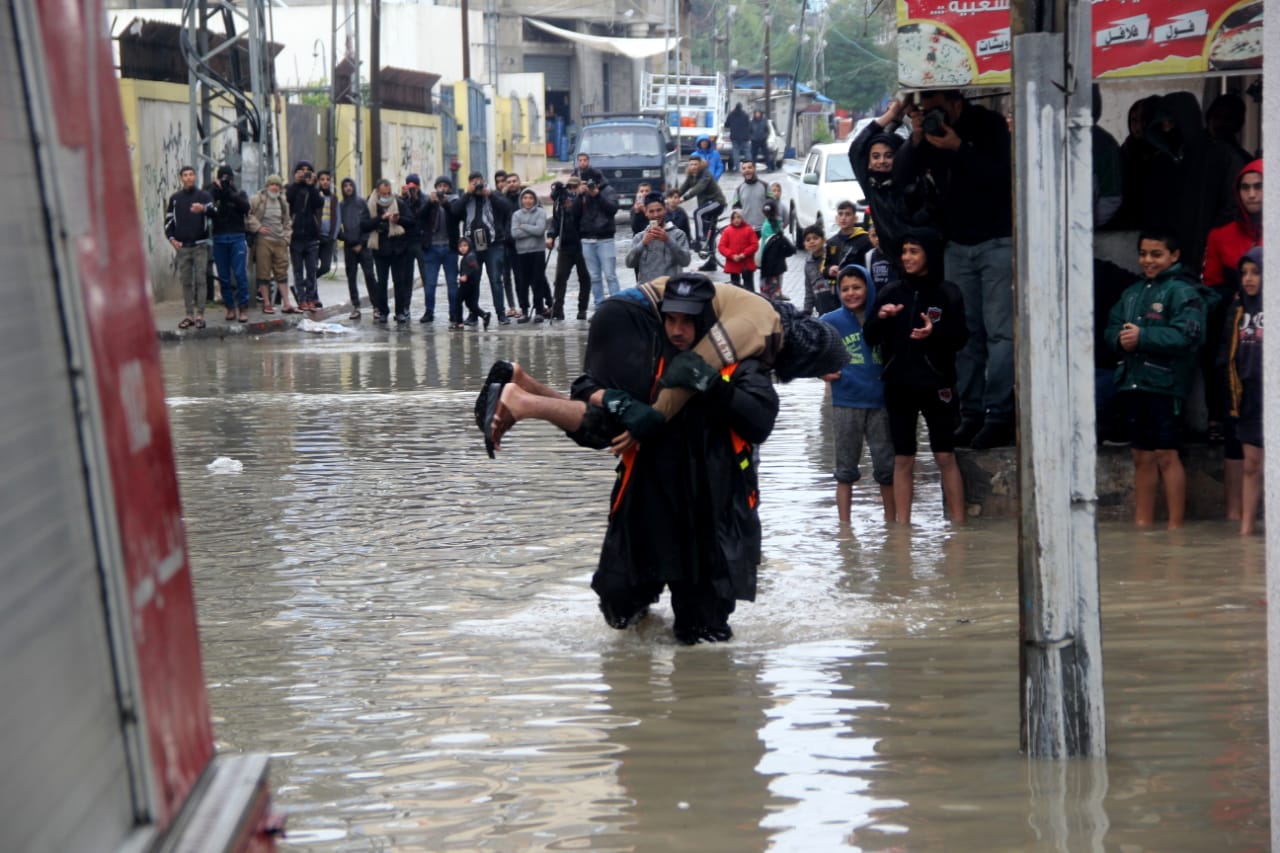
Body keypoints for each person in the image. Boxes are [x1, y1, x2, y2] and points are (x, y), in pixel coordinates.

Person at [594, 276, 780, 644]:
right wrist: (613, 401)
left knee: (702, 637)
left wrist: (711, 385)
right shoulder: (644, 360)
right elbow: (586, 389)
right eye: (670, 320)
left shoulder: (740, 365)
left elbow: (760, 420)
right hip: (646, 511)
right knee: (619, 612)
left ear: (707, 321)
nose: (678, 331)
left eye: (688, 321)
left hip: (712, 518)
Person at [895, 89, 1015, 449]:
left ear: (956, 104)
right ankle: (971, 412)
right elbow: (901, 177)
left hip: (996, 240)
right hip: (957, 245)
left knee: (1000, 334)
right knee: (965, 334)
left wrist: (958, 148)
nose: (933, 117)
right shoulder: (930, 134)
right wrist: (916, 137)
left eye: (937, 109)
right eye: (926, 111)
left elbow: (1001, 176)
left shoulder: (989, 125)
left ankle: (999, 415)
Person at [863, 228, 969, 525]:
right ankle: (902, 531)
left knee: (945, 456)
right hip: (899, 386)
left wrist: (934, 333)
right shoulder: (890, 293)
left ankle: (959, 529)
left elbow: (961, 338)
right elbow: (869, 336)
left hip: (938, 385)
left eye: (914, 251)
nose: (907, 257)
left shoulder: (948, 293)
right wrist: (882, 318)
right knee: (903, 459)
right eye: (904, 252)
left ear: (929, 255)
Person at [1104, 231, 1207, 529]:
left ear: (1174, 256)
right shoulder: (1132, 292)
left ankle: (1175, 529)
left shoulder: (1183, 292)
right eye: (1144, 253)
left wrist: (1143, 336)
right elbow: (1110, 329)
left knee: (1166, 454)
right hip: (1133, 383)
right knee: (1141, 456)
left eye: (1156, 254)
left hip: (1166, 385)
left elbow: (1188, 336)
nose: (1148, 260)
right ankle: (1143, 526)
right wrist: (1119, 340)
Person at [1203, 158, 1262, 504]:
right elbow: (1211, 287)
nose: (1252, 194)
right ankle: (1233, 520)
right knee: (1234, 424)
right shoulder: (1221, 236)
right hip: (1235, 337)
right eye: (1245, 187)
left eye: (1259, 186)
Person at [821, 265, 894, 523]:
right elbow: (807, 348)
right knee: (845, 469)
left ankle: (892, 525)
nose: (851, 293)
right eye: (845, 289)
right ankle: (844, 530)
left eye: (857, 287)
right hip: (846, 403)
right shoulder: (830, 321)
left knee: (887, 468)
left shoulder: (883, 316)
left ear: (869, 288)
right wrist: (822, 372)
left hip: (882, 403)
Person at [1219, 248, 1264, 535]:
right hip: (1246, 395)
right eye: (1244, 272)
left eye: (1256, 272)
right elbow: (1227, 353)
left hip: (1273, 396)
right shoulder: (1237, 310)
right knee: (1250, 463)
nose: (1248, 279)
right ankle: (1245, 533)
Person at [848, 99, 918, 269]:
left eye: (888, 156)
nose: (882, 161)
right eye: (876, 156)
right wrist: (891, 115)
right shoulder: (870, 185)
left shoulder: (909, 179)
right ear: (869, 161)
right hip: (892, 258)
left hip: (919, 253)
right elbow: (856, 148)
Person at [451, 171, 513, 324]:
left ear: (484, 181)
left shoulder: (493, 195)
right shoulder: (466, 199)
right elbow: (454, 211)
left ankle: (501, 314)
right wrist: (467, 194)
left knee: (495, 280)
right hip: (472, 247)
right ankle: (473, 314)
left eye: (479, 182)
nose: (477, 185)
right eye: (473, 182)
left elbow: (507, 208)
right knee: (473, 282)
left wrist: (489, 194)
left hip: (493, 244)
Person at [165, 165, 216, 329]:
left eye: (191, 175)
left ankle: (200, 315)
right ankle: (189, 315)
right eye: (185, 175)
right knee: (186, 281)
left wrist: (203, 208)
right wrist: (172, 239)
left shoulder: (204, 195)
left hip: (200, 246)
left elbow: (214, 211)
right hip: (182, 248)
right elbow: (168, 222)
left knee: (201, 280)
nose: (188, 178)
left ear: (195, 177)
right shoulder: (175, 199)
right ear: (181, 178)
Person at [360, 178, 414, 324]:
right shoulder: (370, 204)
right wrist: (380, 219)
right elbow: (364, 225)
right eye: (384, 193)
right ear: (377, 192)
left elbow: (410, 221)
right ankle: (383, 311)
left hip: (398, 249)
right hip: (380, 250)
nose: (387, 195)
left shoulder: (399, 203)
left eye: (389, 192)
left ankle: (400, 311)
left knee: (399, 282)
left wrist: (398, 220)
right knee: (382, 282)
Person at [246, 174, 299, 315]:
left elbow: (287, 222)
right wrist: (258, 227)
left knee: (282, 272)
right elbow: (248, 215)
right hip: (264, 242)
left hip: (280, 241)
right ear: (267, 186)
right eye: (272, 184)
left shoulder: (283, 202)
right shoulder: (257, 200)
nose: (274, 187)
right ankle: (267, 303)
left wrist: (286, 238)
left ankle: (287, 304)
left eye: (277, 185)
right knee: (264, 273)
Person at [207, 164, 251, 323]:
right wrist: (216, 190)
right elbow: (208, 209)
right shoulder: (213, 193)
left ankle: (243, 307)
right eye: (223, 178)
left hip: (237, 237)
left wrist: (228, 191)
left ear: (232, 179)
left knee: (240, 274)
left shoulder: (239, 193)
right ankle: (229, 307)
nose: (226, 181)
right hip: (219, 238)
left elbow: (246, 207)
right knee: (224, 276)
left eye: (228, 178)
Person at [573, 167, 621, 311]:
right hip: (587, 239)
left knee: (610, 275)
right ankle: (599, 307)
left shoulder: (608, 190)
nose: (589, 185)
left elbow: (613, 209)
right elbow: (574, 215)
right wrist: (579, 196)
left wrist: (597, 195)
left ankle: (617, 307)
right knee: (594, 277)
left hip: (605, 238)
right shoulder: (583, 193)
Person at [420, 176, 462, 327]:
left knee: (452, 283)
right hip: (431, 248)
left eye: (445, 186)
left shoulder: (454, 201)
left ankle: (454, 312)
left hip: (449, 248)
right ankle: (429, 311)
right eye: (439, 186)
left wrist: (445, 203)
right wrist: (429, 203)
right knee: (430, 283)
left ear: (449, 188)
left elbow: (457, 216)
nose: (442, 189)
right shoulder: (429, 201)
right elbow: (419, 216)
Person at [547, 177, 591, 321]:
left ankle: (582, 309)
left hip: (582, 244)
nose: (572, 190)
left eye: (575, 187)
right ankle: (558, 309)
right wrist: (551, 236)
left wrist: (578, 200)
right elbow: (556, 220)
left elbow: (583, 217)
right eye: (570, 187)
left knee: (584, 278)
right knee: (560, 278)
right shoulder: (561, 200)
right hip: (565, 245)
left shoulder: (585, 198)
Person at [626, 192, 691, 283]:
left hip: (671, 289)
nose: (656, 215)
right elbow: (629, 263)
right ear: (646, 213)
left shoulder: (678, 234)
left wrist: (668, 240)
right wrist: (643, 243)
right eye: (651, 211)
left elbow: (685, 261)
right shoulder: (639, 237)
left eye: (659, 210)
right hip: (647, 290)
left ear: (665, 210)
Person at [286, 160, 324, 312]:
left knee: (311, 270)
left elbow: (319, 203)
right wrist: (296, 183)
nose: (305, 173)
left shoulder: (314, 189)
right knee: (297, 271)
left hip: (311, 235)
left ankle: (311, 298)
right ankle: (301, 299)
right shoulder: (291, 188)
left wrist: (312, 185)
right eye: (302, 170)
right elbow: (288, 201)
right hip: (295, 236)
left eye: (308, 170)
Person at [511, 187, 553, 323]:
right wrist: (531, 228)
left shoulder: (540, 212)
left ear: (534, 200)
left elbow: (540, 230)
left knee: (538, 281)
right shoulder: (516, 215)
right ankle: (524, 310)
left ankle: (539, 310)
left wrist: (523, 226)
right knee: (523, 283)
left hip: (538, 251)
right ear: (521, 200)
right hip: (522, 252)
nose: (528, 201)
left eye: (530, 198)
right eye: (525, 198)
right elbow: (514, 234)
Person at [338, 177, 376, 320]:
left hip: (364, 247)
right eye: (345, 186)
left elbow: (368, 225)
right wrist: (349, 241)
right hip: (349, 247)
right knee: (351, 277)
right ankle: (356, 306)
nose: (348, 188)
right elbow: (337, 229)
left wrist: (361, 242)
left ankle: (376, 306)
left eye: (350, 185)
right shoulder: (341, 206)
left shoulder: (361, 203)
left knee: (370, 276)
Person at [678, 158, 726, 272]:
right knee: (711, 232)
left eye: (696, 164)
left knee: (698, 213)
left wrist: (684, 198)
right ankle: (712, 262)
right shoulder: (691, 176)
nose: (694, 166)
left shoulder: (706, 174)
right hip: (707, 205)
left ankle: (700, 240)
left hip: (717, 203)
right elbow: (683, 187)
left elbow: (699, 188)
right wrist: (672, 196)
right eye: (691, 164)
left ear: (700, 164)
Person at [823, 201, 871, 295]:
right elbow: (824, 267)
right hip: (838, 289)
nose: (843, 218)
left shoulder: (865, 240)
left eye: (848, 214)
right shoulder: (832, 242)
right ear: (836, 218)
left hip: (858, 288)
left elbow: (868, 265)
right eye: (840, 214)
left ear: (855, 218)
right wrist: (830, 270)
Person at [399, 174, 429, 322]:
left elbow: (424, 215)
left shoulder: (424, 199)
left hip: (421, 242)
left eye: (414, 187)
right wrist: (404, 199)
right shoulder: (404, 200)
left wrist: (416, 200)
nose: (412, 190)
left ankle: (429, 309)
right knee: (406, 278)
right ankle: (405, 308)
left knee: (426, 276)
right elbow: (403, 216)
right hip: (407, 242)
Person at [756, 200, 794, 301]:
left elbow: (767, 243)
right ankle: (777, 295)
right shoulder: (778, 223)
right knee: (776, 281)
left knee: (767, 285)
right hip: (778, 259)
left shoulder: (766, 225)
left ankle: (769, 301)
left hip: (767, 259)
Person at [455, 235, 491, 330]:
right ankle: (484, 315)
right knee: (471, 305)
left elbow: (475, 268)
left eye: (465, 245)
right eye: (460, 246)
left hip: (467, 285)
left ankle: (459, 323)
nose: (462, 248)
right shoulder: (468, 256)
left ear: (469, 245)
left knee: (457, 300)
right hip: (471, 285)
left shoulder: (470, 256)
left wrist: (466, 275)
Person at [718, 210, 759, 291]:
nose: (736, 220)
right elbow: (722, 246)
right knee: (735, 286)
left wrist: (744, 254)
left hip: (746, 262)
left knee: (748, 285)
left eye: (738, 217)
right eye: (734, 218)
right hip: (733, 262)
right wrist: (731, 255)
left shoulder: (749, 230)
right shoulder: (727, 231)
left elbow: (754, 245)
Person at [801, 224, 834, 316]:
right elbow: (809, 291)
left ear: (824, 240)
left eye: (815, 238)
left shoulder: (831, 257)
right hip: (821, 309)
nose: (812, 242)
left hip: (836, 304)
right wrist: (806, 312)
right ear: (804, 244)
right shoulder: (808, 264)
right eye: (808, 240)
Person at [315, 170, 341, 282]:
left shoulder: (334, 198)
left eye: (328, 179)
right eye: (322, 179)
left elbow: (338, 217)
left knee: (326, 267)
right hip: (315, 237)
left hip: (328, 238)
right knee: (312, 266)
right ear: (318, 181)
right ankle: (310, 291)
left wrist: (333, 236)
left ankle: (307, 281)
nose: (325, 182)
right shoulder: (315, 195)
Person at [732, 160, 768, 232]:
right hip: (746, 230)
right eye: (744, 168)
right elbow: (735, 209)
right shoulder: (738, 189)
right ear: (741, 172)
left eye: (749, 167)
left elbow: (773, 206)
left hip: (763, 229)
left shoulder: (765, 186)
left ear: (755, 169)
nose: (747, 170)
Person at [724, 103, 751, 172]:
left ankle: (737, 168)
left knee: (736, 153)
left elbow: (726, 125)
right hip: (745, 137)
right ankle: (750, 166)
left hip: (735, 137)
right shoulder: (745, 115)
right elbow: (749, 125)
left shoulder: (731, 115)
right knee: (747, 152)